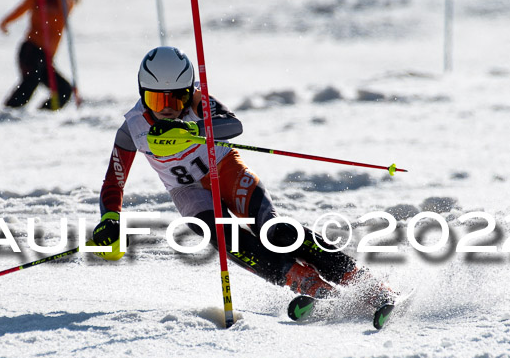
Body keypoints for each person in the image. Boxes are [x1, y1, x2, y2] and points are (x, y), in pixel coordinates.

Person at [92, 46, 396, 315]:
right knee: (224, 238)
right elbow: (114, 181)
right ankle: (306, 283)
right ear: (142, 94)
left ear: (190, 90)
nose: (170, 108)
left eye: (178, 97)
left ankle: (362, 281)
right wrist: (110, 218)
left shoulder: (199, 102)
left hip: (226, 170)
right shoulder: (132, 128)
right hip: (188, 192)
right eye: (158, 101)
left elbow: (234, 125)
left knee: (274, 231)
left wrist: (195, 130)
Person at [0, 0, 80, 110]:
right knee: (31, 81)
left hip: (46, 56)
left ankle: (43, 114)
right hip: (31, 50)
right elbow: (20, 9)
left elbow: (66, 7)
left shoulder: (65, 4)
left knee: (64, 90)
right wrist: (5, 22)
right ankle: (8, 111)